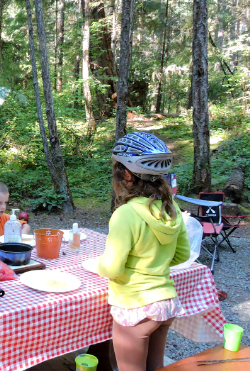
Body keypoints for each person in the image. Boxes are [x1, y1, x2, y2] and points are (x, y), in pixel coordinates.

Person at [97, 132, 190, 371]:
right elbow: (181, 255)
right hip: (166, 303)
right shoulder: (172, 208)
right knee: (155, 367)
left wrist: (101, 264)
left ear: (126, 174)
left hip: (135, 307)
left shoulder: (126, 213)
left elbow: (112, 268)